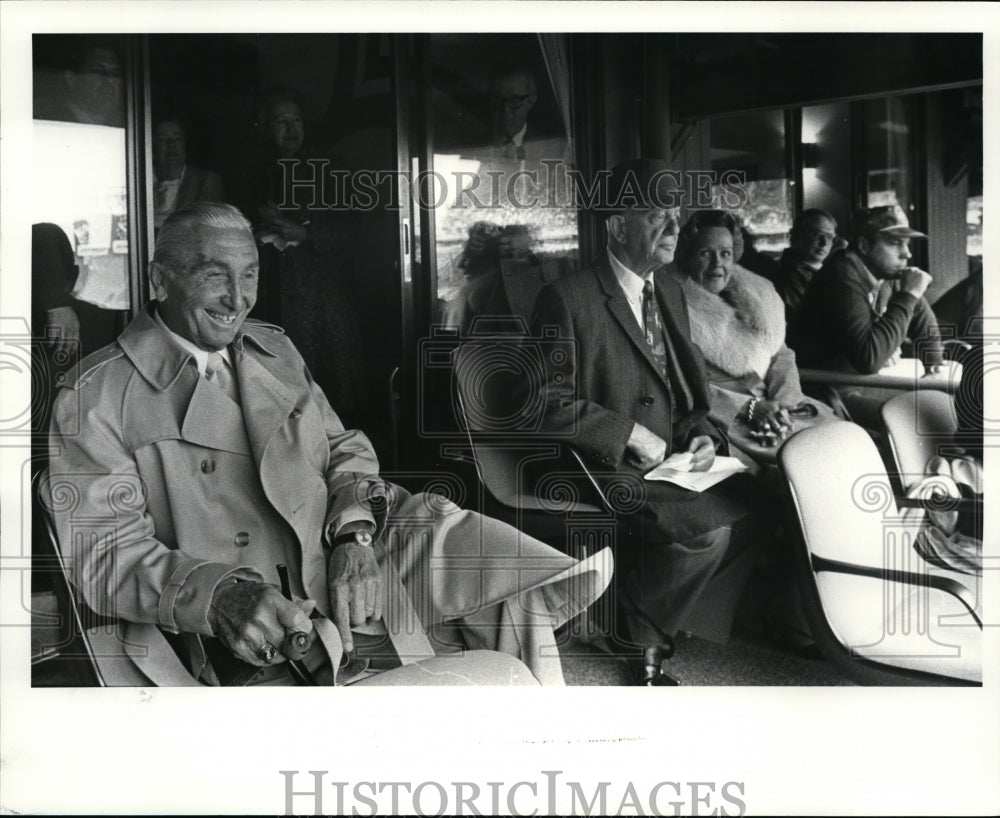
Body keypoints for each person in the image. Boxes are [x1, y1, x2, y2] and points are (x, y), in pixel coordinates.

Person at [44, 203, 611, 688]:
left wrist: (355, 533)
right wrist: (219, 598)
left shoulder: (275, 350)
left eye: (250, 274)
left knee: (507, 584)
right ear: (159, 280)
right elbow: (103, 555)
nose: (237, 298)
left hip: (345, 567)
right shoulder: (94, 397)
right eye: (213, 274)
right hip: (247, 625)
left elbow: (344, 448)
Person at [530, 160, 755, 678]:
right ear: (617, 226)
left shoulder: (669, 292)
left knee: (757, 506)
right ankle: (641, 637)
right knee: (704, 534)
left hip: (667, 456)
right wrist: (626, 433)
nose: (676, 230)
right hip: (594, 461)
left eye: (675, 217)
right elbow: (542, 403)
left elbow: (685, 394)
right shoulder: (567, 297)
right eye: (658, 216)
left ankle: (640, 615)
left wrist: (702, 435)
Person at [668, 210, 834, 469]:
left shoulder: (760, 292)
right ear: (686, 255)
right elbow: (681, 383)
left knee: (839, 442)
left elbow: (781, 354)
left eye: (725, 253)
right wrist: (751, 407)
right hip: (728, 418)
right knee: (800, 466)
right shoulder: (672, 307)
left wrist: (784, 402)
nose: (717, 265)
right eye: (705, 253)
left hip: (781, 408)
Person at [244, 87, 368, 425]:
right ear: (265, 127)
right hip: (272, 294)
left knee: (331, 393)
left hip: (322, 298)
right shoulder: (252, 172)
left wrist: (306, 234)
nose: (291, 129)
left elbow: (356, 230)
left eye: (296, 120)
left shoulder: (328, 168)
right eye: (281, 122)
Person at [788, 204, 944, 375]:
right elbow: (869, 359)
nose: (907, 254)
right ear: (863, 245)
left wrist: (934, 368)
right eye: (895, 243)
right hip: (819, 386)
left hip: (852, 380)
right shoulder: (841, 274)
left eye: (907, 244)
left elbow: (921, 316)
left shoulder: (885, 273)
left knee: (937, 396)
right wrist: (909, 295)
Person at [152, 118, 226, 229]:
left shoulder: (206, 181)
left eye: (178, 139)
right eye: (162, 139)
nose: (171, 145)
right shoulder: (139, 181)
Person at [34, 41, 124, 127]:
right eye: (98, 71)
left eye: (116, 74)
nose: (109, 80)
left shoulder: (124, 127)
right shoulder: (50, 124)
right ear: (71, 79)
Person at [775, 209, 840, 319]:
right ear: (796, 235)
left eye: (829, 237)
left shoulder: (831, 269)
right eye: (816, 234)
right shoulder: (786, 274)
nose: (824, 243)